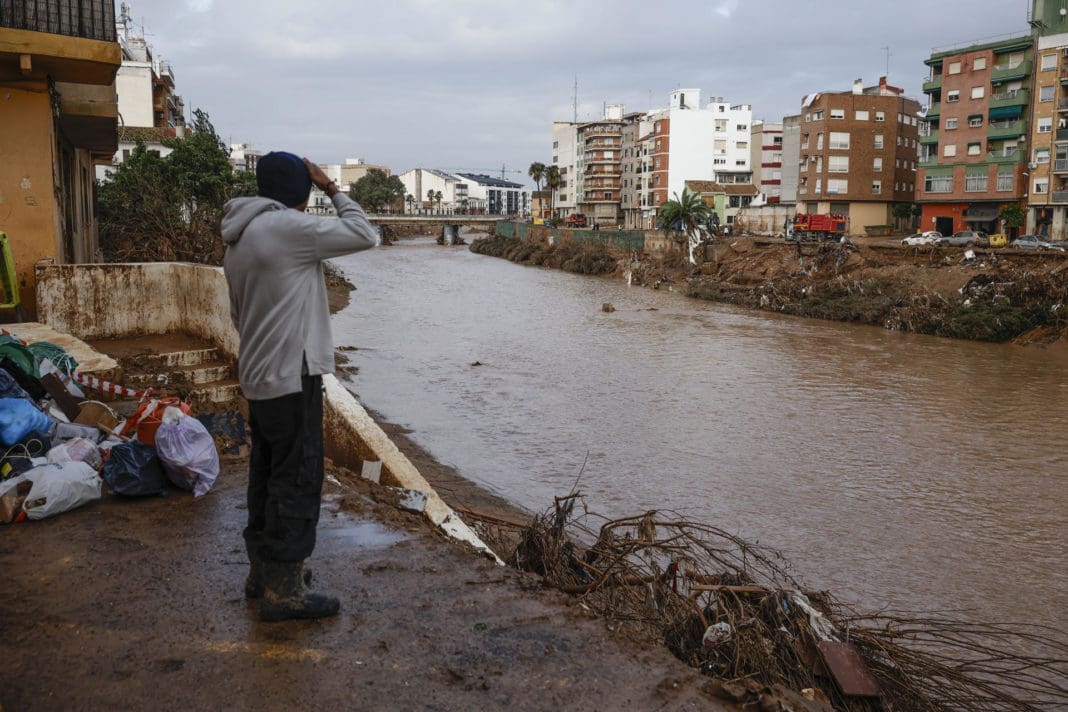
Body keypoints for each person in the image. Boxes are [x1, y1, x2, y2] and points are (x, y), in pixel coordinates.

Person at [221, 152, 378, 622]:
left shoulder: (239, 236)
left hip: (258, 373)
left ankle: (262, 573)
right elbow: (365, 234)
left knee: (266, 476)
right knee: (298, 477)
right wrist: (332, 186)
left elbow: (236, 314)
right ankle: (285, 592)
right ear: (299, 190)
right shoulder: (287, 229)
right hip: (293, 375)